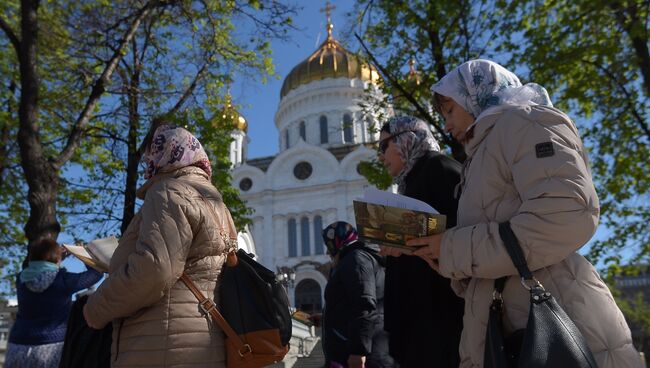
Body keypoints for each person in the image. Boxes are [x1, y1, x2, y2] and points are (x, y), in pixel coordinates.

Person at [409, 59, 642, 367]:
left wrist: (454, 247)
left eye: (449, 110)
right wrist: (446, 257)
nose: (447, 125)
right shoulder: (482, 155)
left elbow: (564, 215)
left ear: (475, 94)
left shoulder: (525, 122)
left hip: (553, 317)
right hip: (506, 323)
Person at [83, 122, 237, 367]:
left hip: (161, 344)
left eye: (150, 156)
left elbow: (154, 270)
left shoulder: (168, 191)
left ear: (165, 152)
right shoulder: (215, 201)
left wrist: (95, 308)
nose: (147, 163)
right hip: (204, 343)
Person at [376, 116, 465, 368]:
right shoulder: (411, 181)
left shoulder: (439, 169)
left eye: (384, 147)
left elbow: (464, 230)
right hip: (417, 318)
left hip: (439, 315)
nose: (381, 157)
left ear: (407, 138)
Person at [6, 238, 103, 368]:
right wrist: (80, 253)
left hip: (17, 345)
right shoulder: (63, 280)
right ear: (56, 259)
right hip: (51, 346)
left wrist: (56, 257)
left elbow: (42, 266)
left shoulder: (21, 279)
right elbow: (96, 274)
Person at [321, 221, 394, 368]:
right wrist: (328, 316)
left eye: (329, 246)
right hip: (352, 350)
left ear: (338, 242)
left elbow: (364, 304)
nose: (327, 252)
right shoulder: (352, 259)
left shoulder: (356, 258)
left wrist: (358, 352)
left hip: (360, 354)